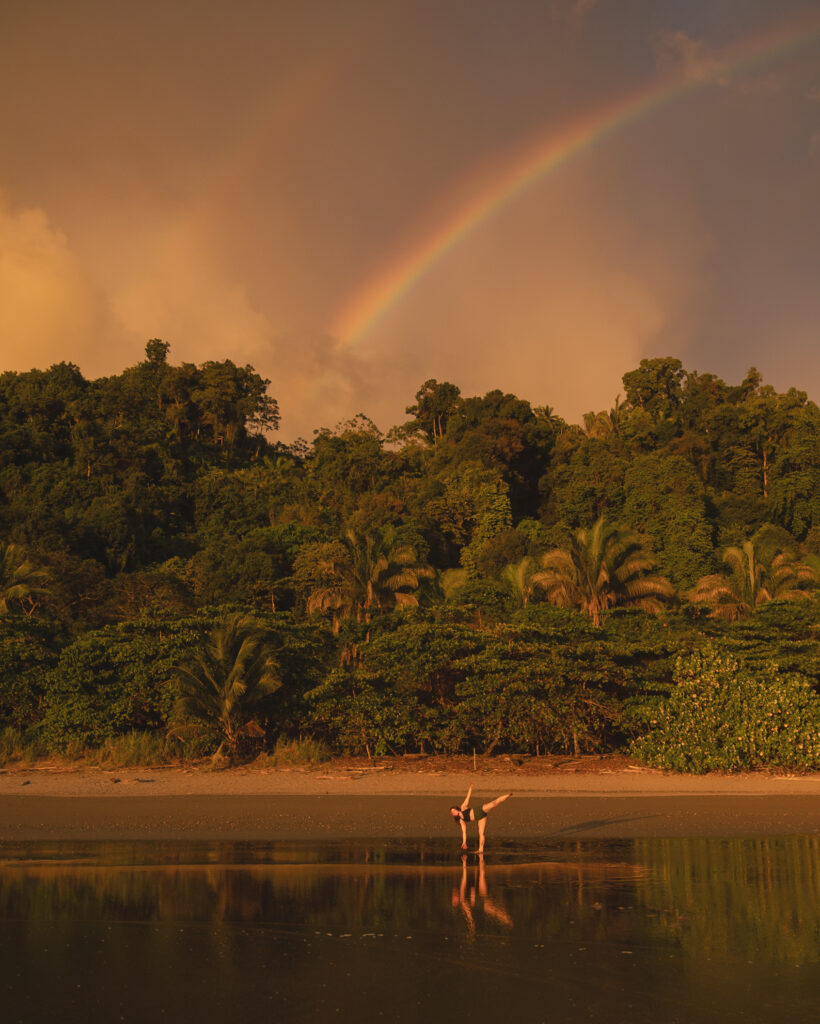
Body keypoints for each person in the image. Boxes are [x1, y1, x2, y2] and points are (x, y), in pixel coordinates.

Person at [449, 785, 511, 853]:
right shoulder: (461, 820)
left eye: (453, 810)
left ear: (456, 809)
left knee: (493, 803)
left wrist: (470, 789)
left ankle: (507, 795)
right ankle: (481, 849)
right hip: (481, 818)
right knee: (481, 833)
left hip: (480, 810)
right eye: (452, 812)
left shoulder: (463, 807)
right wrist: (464, 842)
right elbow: (464, 832)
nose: (453, 812)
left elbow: (467, 798)